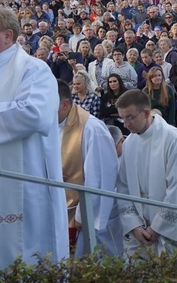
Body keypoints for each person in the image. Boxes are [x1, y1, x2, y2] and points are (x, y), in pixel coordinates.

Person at [0, 5, 68, 268]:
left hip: (27, 187)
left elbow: (34, 113)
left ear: (8, 35)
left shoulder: (34, 69)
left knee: (29, 261)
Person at [115, 89, 177, 257]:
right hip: (140, 235)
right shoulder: (129, 143)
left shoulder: (173, 140)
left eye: (129, 117)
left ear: (146, 113)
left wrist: (157, 228)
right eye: (122, 118)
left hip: (173, 235)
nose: (125, 124)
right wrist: (134, 226)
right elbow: (123, 187)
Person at [57, 79, 123, 256]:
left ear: (64, 105)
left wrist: (84, 215)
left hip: (79, 215)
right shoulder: (48, 124)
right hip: (56, 209)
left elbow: (100, 176)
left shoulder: (92, 128)